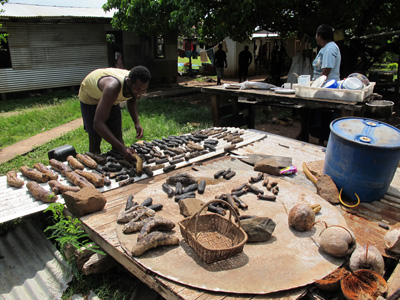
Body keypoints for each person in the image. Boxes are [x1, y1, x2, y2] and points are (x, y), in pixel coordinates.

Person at [78, 66, 151, 162]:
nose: (140, 93)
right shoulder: (113, 88)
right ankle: (94, 163)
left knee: (117, 135)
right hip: (90, 97)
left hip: (110, 97)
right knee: (95, 137)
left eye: (144, 89)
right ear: (129, 82)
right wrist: (123, 148)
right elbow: (98, 124)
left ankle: (119, 161)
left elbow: (132, 99)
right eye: (138, 89)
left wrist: (136, 122)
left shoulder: (134, 84)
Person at [309, 24, 341, 145]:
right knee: (321, 115)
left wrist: (318, 85)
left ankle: (327, 141)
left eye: (316, 35)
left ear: (320, 35)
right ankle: (321, 139)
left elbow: (326, 70)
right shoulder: (325, 48)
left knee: (326, 115)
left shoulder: (330, 48)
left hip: (327, 89)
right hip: (322, 88)